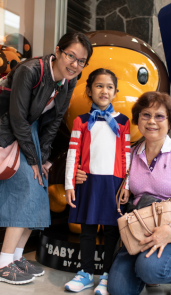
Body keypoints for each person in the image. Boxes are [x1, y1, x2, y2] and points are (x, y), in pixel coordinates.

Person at [75, 91, 171, 295]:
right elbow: (102, 164)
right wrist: (79, 173)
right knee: (118, 289)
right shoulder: (131, 153)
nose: (152, 121)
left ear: (170, 121)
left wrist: (169, 229)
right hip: (140, 229)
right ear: (138, 119)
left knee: (151, 269)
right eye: (146, 115)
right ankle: (148, 269)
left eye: (159, 116)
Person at [0, 32, 93, 285]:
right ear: (57, 51)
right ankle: (3, 262)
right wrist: (33, 160)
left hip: (30, 132)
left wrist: (46, 160)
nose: (75, 64)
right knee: (26, 189)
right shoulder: (29, 70)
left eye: (81, 61)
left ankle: (17, 257)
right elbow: (17, 117)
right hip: (8, 128)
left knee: (40, 191)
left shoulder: (70, 80)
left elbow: (53, 124)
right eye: (70, 56)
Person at [64, 68, 130, 295]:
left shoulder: (123, 121)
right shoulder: (80, 121)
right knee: (88, 230)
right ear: (89, 90)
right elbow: (73, 153)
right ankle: (86, 273)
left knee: (112, 231)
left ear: (115, 92)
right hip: (88, 183)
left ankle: (107, 275)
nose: (104, 90)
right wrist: (70, 182)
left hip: (115, 183)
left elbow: (126, 155)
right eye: (99, 85)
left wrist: (127, 185)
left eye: (109, 86)